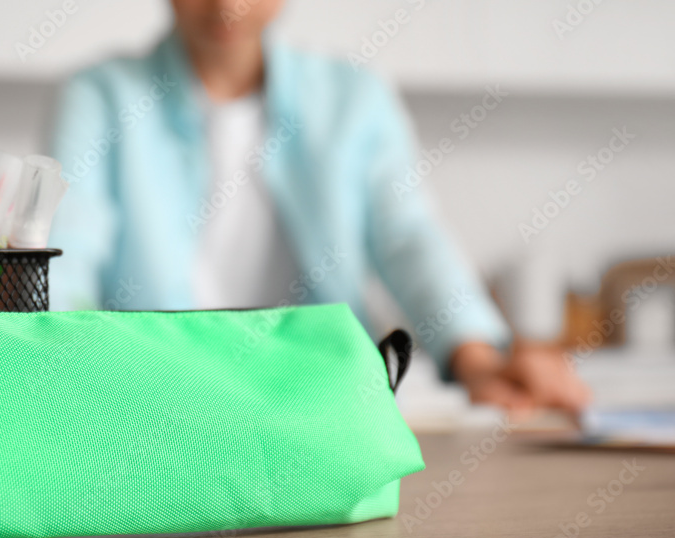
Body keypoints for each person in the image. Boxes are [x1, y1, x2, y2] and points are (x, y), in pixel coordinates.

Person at [48, 0, 590, 417]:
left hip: (324, 403)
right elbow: (66, 249)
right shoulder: (100, 97)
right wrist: (54, 360)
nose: (226, 4)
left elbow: (409, 238)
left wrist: (475, 359)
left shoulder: (354, 97)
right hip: (159, 409)